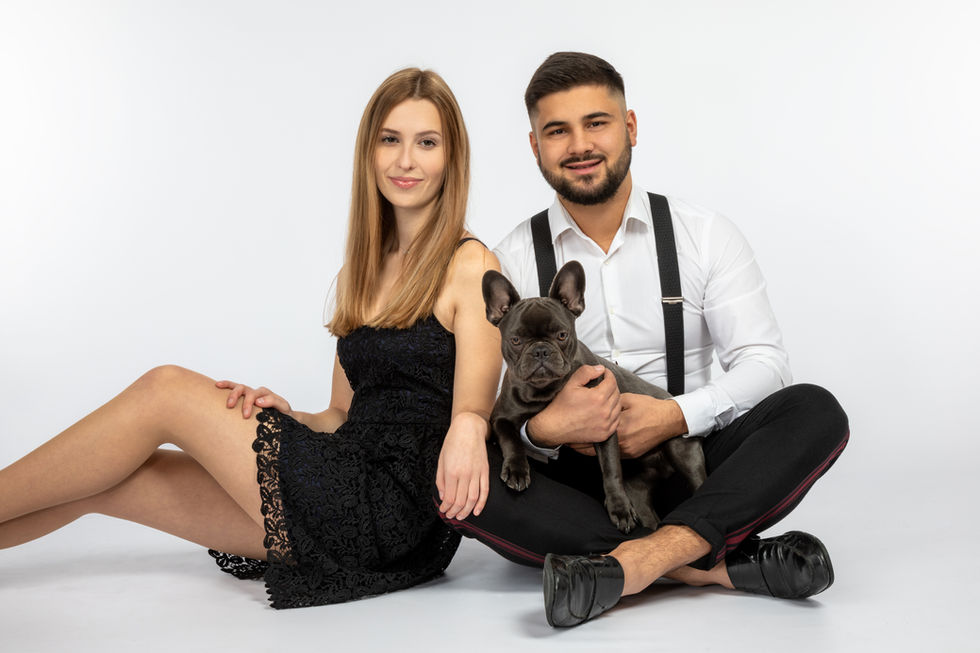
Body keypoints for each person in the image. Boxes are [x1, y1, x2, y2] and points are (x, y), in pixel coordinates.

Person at [0, 68, 500, 609]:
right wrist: (291, 416)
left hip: (396, 511)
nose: (405, 160)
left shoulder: (471, 265)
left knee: (165, 389)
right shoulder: (361, 271)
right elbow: (340, 416)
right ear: (369, 152)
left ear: (451, 157)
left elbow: (474, 412)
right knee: (108, 482)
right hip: (345, 482)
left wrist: (471, 423)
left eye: (426, 143)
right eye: (390, 140)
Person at [439, 52, 850, 627]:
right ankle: (707, 561)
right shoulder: (508, 257)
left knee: (814, 409)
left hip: (690, 463)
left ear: (629, 126)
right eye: (557, 131)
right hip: (577, 480)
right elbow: (486, 404)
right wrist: (545, 430)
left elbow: (765, 365)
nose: (580, 145)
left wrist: (675, 416)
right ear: (534, 146)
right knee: (455, 469)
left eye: (597, 123)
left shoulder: (704, 235)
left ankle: (627, 564)